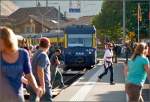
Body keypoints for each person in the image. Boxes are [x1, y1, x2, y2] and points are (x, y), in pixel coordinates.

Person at [0, 26, 43, 102]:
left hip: (17, 98)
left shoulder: (23, 54)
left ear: (6, 40)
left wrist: (36, 88)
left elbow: (29, 75)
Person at [30, 37, 52, 102]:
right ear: (48, 45)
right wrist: (43, 86)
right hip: (42, 84)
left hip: (33, 84)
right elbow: (40, 69)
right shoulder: (43, 55)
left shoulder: (35, 54)